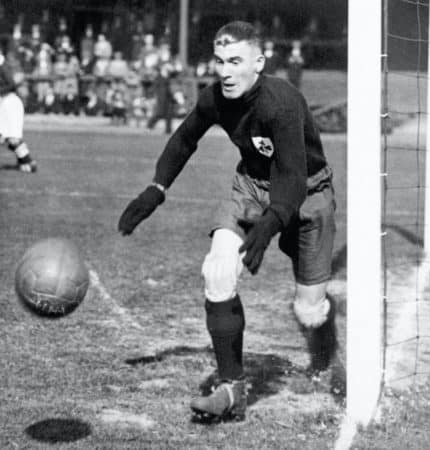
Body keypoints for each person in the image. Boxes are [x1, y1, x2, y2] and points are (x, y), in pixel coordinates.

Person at [118, 21, 337, 421]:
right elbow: (185, 138)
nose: (225, 71)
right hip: (250, 188)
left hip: (308, 194)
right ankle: (232, 389)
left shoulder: (281, 102)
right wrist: (156, 189)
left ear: (258, 61)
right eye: (220, 61)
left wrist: (271, 224)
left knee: (309, 309)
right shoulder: (215, 97)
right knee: (218, 272)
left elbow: (291, 176)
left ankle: (326, 356)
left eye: (235, 61)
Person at [0, 50, 37, 172]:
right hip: (4, 102)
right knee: (5, 138)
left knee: (12, 138)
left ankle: (28, 163)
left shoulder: (2, 65)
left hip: (9, 103)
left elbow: (12, 84)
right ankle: (24, 163)